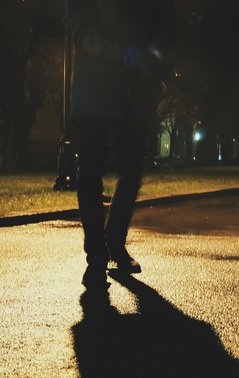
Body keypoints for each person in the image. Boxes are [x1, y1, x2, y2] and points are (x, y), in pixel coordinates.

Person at [67, 0, 177, 288]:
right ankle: (96, 253)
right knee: (91, 171)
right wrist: (130, 55)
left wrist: (152, 55)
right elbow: (83, 37)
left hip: (134, 95)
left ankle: (114, 243)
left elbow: (164, 22)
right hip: (96, 93)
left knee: (132, 170)